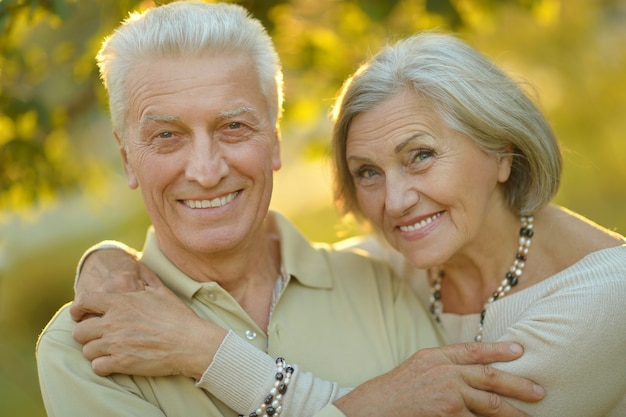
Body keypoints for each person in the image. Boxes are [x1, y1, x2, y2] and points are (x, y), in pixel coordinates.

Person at [71, 19, 626, 417]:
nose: (396, 200)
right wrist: (106, 260)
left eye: (421, 156)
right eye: (367, 172)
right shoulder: (399, 266)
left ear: (502, 150)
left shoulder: (605, 301)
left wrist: (204, 352)